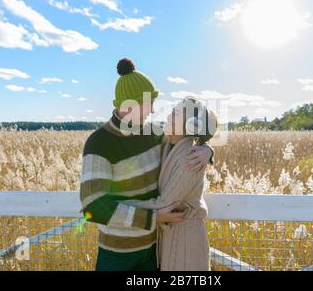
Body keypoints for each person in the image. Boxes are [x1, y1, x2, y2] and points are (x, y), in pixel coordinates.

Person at [79, 58, 214, 271]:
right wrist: (154, 217)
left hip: (154, 251)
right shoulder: (99, 143)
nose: (153, 110)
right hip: (117, 255)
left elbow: (189, 134)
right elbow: (94, 207)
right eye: (149, 102)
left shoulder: (153, 133)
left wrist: (207, 149)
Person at [125, 97, 218, 271]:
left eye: (175, 114)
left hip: (185, 242)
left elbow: (165, 204)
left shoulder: (190, 159)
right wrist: (209, 149)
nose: (168, 116)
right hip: (171, 237)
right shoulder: (169, 143)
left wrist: (119, 206)